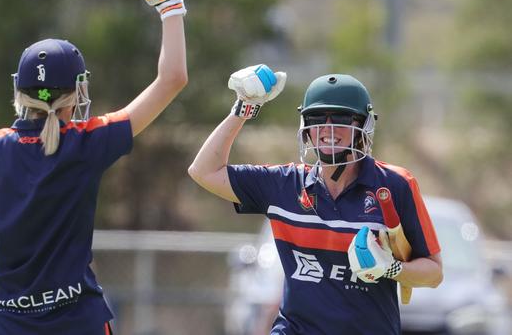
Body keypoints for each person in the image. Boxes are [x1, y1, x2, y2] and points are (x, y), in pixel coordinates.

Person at [0, 0, 187, 334]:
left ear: (19, 91)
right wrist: (168, 4)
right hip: (79, 322)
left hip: (5, 323)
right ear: (76, 93)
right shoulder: (86, 142)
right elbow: (173, 77)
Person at [188, 66, 443, 335]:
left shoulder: (395, 185)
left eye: (343, 118)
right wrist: (244, 108)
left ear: (362, 126)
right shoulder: (284, 184)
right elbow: (204, 171)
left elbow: (434, 273)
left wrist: (390, 268)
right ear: (306, 128)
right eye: (317, 117)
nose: (328, 128)